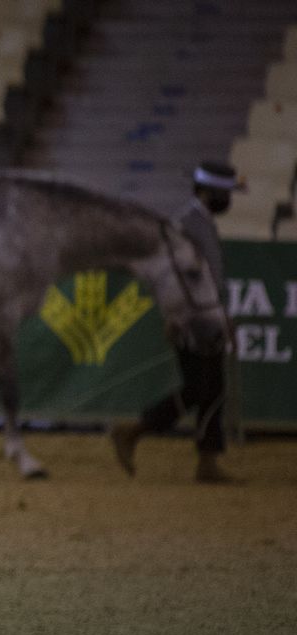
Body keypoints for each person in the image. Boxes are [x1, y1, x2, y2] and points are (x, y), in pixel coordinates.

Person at [110, 160, 239, 483]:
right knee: (199, 388)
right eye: (225, 194)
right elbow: (168, 275)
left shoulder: (197, 223)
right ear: (209, 193)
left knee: (212, 389)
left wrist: (222, 314)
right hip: (192, 319)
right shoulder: (185, 224)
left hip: (206, 318)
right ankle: (134, 432)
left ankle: (206, 461)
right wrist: (174, 315)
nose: (229, 201)